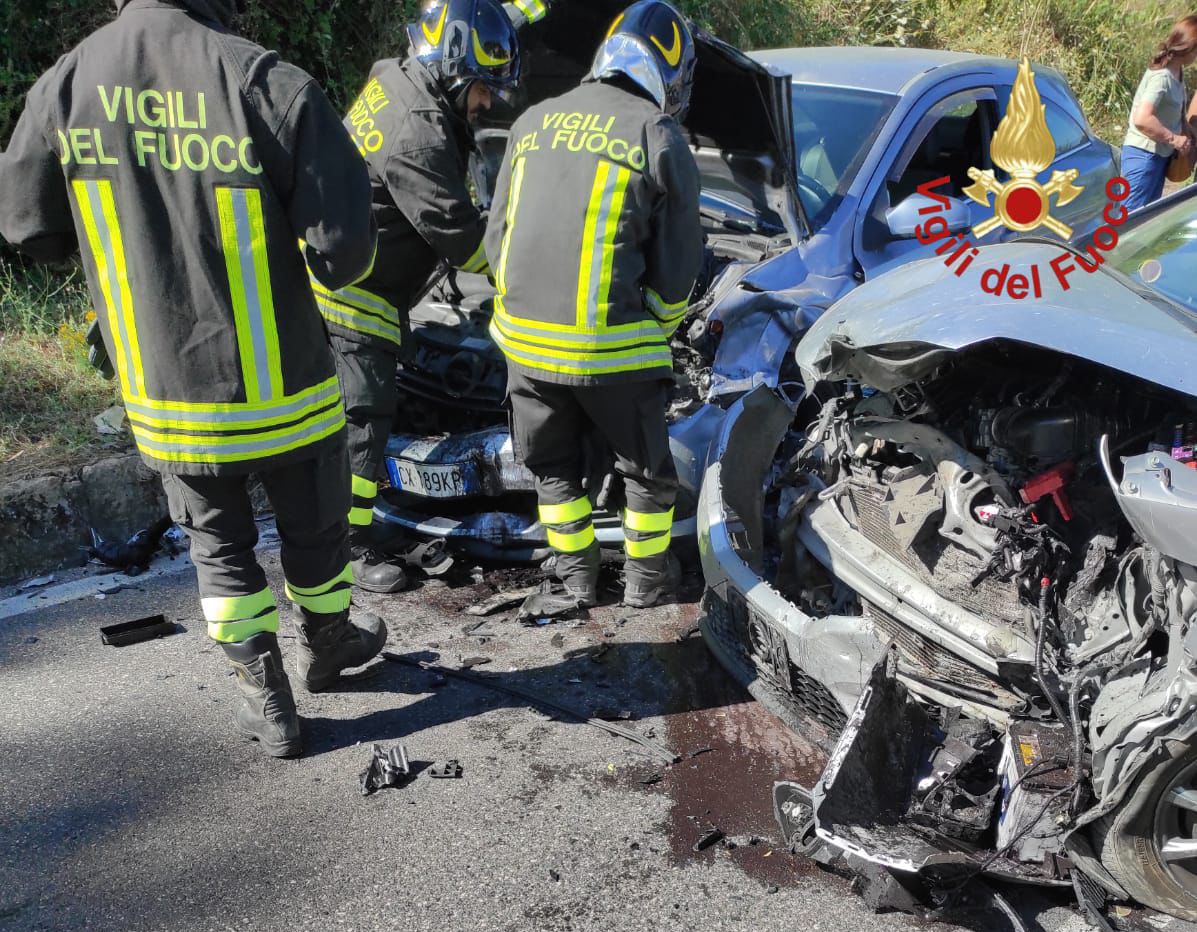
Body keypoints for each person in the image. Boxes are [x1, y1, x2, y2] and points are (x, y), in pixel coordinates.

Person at [0, 0, 385, 758]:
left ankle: (266, 702)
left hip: (168, 389)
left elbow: (26, 227)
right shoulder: (262, 80)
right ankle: (331, 643)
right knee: (315, 528)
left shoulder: (69, 83)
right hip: (286, 388)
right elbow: (347, 251)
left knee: (217, 545)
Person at [310, 0, 544, 593]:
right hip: (354, 297)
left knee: (362, 420)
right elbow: (465, 245)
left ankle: (360, 527)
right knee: (363, 421)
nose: (488, 103)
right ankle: (348, 552)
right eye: (483, 89)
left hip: (344, 274)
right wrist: (541, 272)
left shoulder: (395, 77)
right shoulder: (418, 134)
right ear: (451, 68)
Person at [484, 0, 704, 609]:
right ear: (669, 72)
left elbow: (496, 238)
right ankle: (646, 580)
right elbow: (679, 262)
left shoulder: (531, 123)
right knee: (645, 473)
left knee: (551, 467)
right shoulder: (656, 133)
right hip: (609, 347)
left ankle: (575, 575)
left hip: (523, 344)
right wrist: (661, 326)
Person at [1123, 15, 1197, 211]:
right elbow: (1142, 118)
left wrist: (1189, 130)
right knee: (1130, 221)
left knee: (1147, 220)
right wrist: (1174, 139)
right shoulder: (1162, 77)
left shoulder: (1178, 72)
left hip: (1159, 157)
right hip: (1144, 156)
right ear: (1189, 47)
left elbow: (1174, 110)